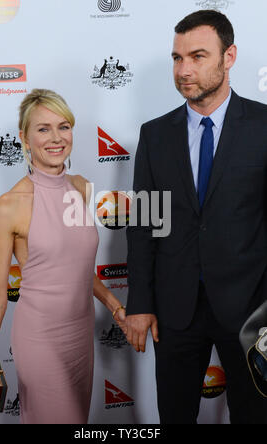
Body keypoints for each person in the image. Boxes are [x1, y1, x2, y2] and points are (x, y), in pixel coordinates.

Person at [125, 9, 267, 424]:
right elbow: (144, 224)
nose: (184, 70)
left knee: (254, 414)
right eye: (177, 58)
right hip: (175, 309)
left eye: (198, 56)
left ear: (230, 56)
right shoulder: (155, 134)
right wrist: (139, 303)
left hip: (250, 310)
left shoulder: (263, 126)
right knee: (173, 413)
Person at [0, 88, 126, 424]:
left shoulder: (82, 188)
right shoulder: (9, 206)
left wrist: (114, 306)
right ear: (24, 139)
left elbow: (76, 268)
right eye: (43, 129)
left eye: (64, 126)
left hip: (80, 336)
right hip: (39, 339)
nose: (56, 138)